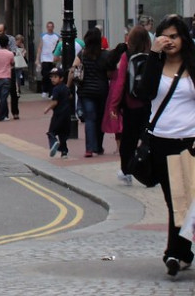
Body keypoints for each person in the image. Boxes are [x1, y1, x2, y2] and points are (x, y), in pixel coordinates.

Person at [137, 14, 195, 276]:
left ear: (183, 37)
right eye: (165, 36)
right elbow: (144, 92)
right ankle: (181, 252)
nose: (170, 41)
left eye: (175, 36)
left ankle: (175, 253)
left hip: (190, 142)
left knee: (188, 200)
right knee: (175, 201)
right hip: (161, 142)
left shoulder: (192, 65)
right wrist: (153, 54)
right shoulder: (154, 64)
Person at [108, 26, 152, 185]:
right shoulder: (151, 55)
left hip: (131, 103)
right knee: (147, 137)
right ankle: (149, 171)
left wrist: (113, 106)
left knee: (128, 139)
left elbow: (120, 83)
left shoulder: (127, 55)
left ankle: (126, 171)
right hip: (148, 103)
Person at [71, 27, 108, 157]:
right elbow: (110, 72)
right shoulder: (104, 55)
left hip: (86, 91)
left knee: (90, 119)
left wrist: (69, 85)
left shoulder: (82, 54)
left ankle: (89, 148)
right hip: (102, 91)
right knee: (100, 119)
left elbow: (73, 69)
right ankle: (98, 146)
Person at [43, 67, 72, 158]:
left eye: (55, 77)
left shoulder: (56, 89)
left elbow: (55, 102)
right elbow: (70, 97)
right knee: (63, 134)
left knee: (51, 132)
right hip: (67, 115)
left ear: (61, 78)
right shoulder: (66, 88)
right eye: (52, 77)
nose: (53, 79)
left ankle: (53, 144)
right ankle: (64, 152)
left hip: (58, 114)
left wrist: (47, 108)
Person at [37, 21, 60, 98]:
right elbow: (40, 47)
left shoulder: (57, 36)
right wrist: (37, 59)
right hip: (45, 58)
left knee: (53, 75)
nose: (50, 28)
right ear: (47, 27)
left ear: (53, 27)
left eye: (51, 26)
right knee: (45, 74)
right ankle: (44, 90)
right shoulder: (43, 36)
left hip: (53, 58)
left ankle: (51, 92)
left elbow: (59, 47)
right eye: (48, 26)